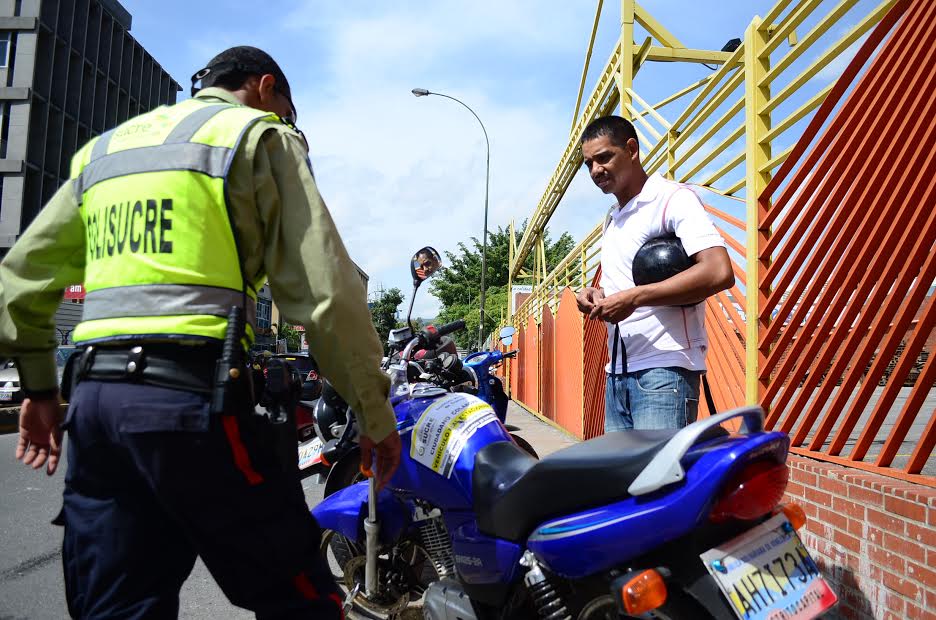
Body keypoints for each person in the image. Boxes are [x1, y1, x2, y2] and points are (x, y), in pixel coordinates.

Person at [1, 46, 400, 618]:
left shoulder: (104, 151)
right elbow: (327, 297)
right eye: (289, 111)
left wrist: (41, 391)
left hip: (93, 406)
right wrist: (373, 415)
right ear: (265, 87)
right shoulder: (260, 136)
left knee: (117, 606)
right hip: (196, 400)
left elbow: (18, 283)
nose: (289, 124)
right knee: (299, 596)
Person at [576, 116, 733, 432]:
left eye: (604, 157)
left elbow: (718, 270)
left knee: (656, 481)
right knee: (623, 481)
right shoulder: (613, 218)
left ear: (631, 149)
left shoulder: (672, 199)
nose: (595, 171)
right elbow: (624, 287)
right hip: (617, 374)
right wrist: (596, 296)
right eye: (588, 163)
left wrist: (635, 297)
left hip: (664, 373)